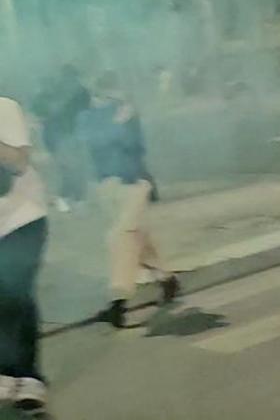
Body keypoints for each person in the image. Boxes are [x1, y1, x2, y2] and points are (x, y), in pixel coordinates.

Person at [76, 76, 178, 328]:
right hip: (106, 186)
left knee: (119, 236)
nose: (110, 98)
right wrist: (116, 124)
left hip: (135, 183)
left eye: (114, 92)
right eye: (104, 93)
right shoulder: (86, 118)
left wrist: (125, 122)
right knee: (136, 238)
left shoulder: (128, 114)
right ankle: (167, 279)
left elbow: (136, 146)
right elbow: (91, 142)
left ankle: (118, 302)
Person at [0, 95, 50, 412]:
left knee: (15, 293)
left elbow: (18, 162)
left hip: (22, 218)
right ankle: (7, 372)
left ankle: (27, 376)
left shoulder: (4, 108)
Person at [31, 66, 91, 212]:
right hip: (61, 136)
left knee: (71, 167)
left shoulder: (75, 92)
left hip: (66, 135)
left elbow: (85, 112)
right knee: (71, 167)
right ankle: (72, 198)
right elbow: (40, 112)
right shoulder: (61, 92)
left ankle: (71, 198)